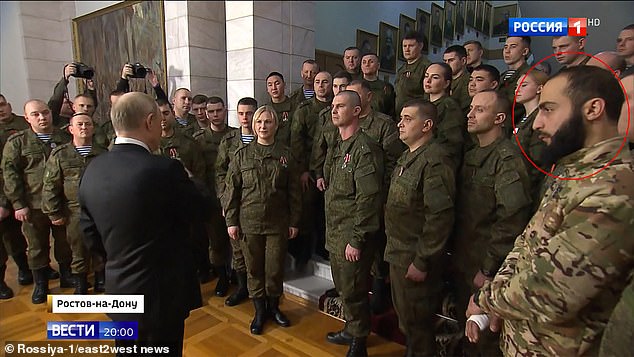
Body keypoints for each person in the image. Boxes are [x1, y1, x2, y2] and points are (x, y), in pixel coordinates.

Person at [467, 66, 634, 357]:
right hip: (528, 338)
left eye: (548, 110)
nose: (537, 123)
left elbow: (553, 289)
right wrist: (500, 291)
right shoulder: (574, 171)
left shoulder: (615, 188)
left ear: (593, 109)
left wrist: (487, 299)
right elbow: (528, 242)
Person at [79, 92, 203, 356]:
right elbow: (202, 211)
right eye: (159, 121)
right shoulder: (165, 170)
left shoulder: (93, 169)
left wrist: (118, 259)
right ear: (149, 122)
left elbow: (89, 234)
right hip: (160, 297)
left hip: (120, 291)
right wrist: (189, 177)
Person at [453, 90, 532, 356]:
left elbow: (512, 219)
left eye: (479, 110)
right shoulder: (474, 153)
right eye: (471, 108)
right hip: (465, 255)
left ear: (499, 118)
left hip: (488, 263)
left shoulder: (506, 158)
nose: (470, 114)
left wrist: (489, 268)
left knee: (483, 338)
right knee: (467, 330)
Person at [384, 99, 456, 356]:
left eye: (407, 119)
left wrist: (423, 261)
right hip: (399, 251)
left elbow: (439, 217)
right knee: (407, 322)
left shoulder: (435, 161)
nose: (400, 124)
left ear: (426, 125)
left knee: (418, 325)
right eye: (400, 118)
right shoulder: (409, 155)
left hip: (414, 256)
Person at [224, 105, 301, 335]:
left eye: (268, 122)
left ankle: (274, 307)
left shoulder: (286, 155)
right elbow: (232, 191)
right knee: (254, 269)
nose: (263, 126)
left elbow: (295, 191)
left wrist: (295, 221)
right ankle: (259, 311)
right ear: (253, 126)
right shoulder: (242, 155)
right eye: (259, 122)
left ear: (276, 125)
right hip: (249, 222)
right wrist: (231, 221)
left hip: (278, 223)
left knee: (275, 269)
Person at [324, 91, 384, 357]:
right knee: (343, 288)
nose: (334, 110)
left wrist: (357, 239)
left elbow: (368, 198)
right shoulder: (338, 146)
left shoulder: (364, 149)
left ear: (357, 111)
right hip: (336, 232)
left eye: (340, 106)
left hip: (352, 235)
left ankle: (359, 342)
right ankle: (350, 328)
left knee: (355, 290)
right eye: (333, 106)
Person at [2, 100, 73, 304]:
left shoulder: (64, 137)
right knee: (36, 246)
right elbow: (10, 174)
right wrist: (18, 204)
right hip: (33, 204)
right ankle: (41, 283)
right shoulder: (17, 142)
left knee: (64, 241)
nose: (42, 117)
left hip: (62, 203)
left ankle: (66, 273)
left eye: (45, 113)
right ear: (27, 118)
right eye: (35, 114)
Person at [347, 79, 404, 313]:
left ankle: (380, 288)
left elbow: (393, 161)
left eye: (356, 94)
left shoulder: (383, 124)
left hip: (376, 195)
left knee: (377, 244)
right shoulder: (346, 124)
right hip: (351, 199)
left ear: (369, 97)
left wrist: (383, 194)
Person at [41, 113, 107, 294]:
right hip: (74, 210)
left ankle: (101, 279)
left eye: (87, 124)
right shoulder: (61, 154)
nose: (84, 127)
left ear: (93, 128)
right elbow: (50, 185)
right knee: (78, 249)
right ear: (71, 129)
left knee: (99, 246)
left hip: (99, 210)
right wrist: (54, 212)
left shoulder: (103, 153)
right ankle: (80, 283)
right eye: (79, 124)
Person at [216, 97, 258, 307]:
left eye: (249, 113)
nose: (245, 118)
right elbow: (220, 171)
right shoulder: (230, 140)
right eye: (241, 113)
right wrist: (225, 200)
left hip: (258, 204)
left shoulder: (266, 136)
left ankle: (259, 291)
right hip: (235, 203)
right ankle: (242, 287)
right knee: (238, 248)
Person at [290, 71, 332, 270]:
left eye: (325, 82)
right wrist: (303, 170)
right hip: (308, 168)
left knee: (327, 211)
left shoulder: (337, 107)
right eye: (317, 82)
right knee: (307, 210)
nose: (321, 85)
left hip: (330, 168)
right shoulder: (304, 109)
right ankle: (303, 252)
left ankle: (325, 247)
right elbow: (296, 142)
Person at [192, 96, 233, 293]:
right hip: (210, 198)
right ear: (206, 114)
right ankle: (222, 276)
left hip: (233, 196)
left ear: (225, 110)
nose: (215, 115)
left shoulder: (235, 135)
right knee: (216, 241)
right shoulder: (198, 140)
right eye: (211, 111)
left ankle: (237, 275)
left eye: (219, 110)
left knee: (236, 239)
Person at [0, 94, 31, 298]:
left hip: (16, 190)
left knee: (15, 236)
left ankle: (25, 269)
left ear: (9, 105)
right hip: (3, 192)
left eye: (2, 105)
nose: (0, 110)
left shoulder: (22, 124)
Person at [514, 69, 548, 209]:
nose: (517, 89)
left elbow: (538, 163)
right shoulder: (522, 118)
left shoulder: (540, 120)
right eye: (516, 86)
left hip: (530, 190)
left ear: (540, 88)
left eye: (524, 85)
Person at [423, 62, 467, 169]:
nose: (428, 81)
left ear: (446, 83)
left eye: (435, 77)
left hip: (438, 163)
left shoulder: (449, 107)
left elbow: (452, 143)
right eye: (426, 76)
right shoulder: (424, 104)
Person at [498, 36, 531, 138]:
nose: (507, 51)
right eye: (505, 47)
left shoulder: (531, 76)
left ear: (525, 51)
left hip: (516, 131)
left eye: (513, 47)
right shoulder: (501, 77)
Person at [48, 63, 98, 128]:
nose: (85, 109)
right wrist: (65, 78)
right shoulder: (59, 122)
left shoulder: (89, 123)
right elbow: (55, 102)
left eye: (88, 106)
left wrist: (90, 88)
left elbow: (90, 103)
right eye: (81, 105)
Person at [395, 31, 431, 120]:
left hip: (416, 116)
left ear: (420, 46)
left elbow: (428, 95)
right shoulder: (401, 69)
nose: (407, 49)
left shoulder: (427, 67)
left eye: (411, 46)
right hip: (399, 115)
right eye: (404, 46)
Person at [266, 72, 296, 147]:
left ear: (284, 85)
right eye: (270, 85)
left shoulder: (295, 107)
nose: (274, 88)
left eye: (277, 83)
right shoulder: (265, 110)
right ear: (267, 89)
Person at [361, 53, 394, 117]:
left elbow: (391, 111)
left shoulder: (386, 87)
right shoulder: (355, 85)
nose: (367, 65)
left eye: (371, 62)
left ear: (378, 65)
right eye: (364, 62)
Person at [444, 45, 471, 115]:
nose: (447, 64)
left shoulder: (469, 81)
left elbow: (464, 107)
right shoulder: (444, 79)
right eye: (445, 61)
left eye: (451, 60)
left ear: (463, 61)